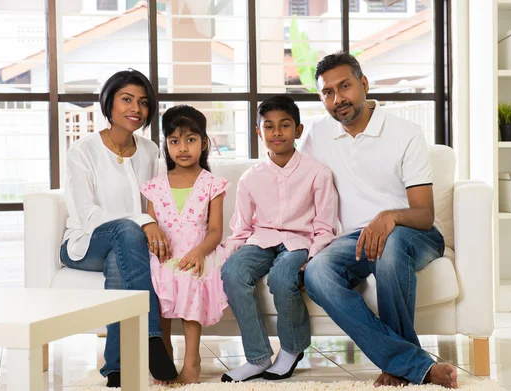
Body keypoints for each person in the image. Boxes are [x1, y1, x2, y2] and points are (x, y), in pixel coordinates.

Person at [299, 52, 458, 389]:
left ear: (364, 84)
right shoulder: (318, 135)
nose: (338, 98)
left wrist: (390, 216)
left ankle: (401, 366)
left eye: (345, 86)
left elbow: (424, 213)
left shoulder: (405, 133)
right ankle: (409, 364)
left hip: (414, 232)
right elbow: (299, 189)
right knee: (317, 272)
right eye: (328, 92)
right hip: (353, 238)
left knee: (389, 245)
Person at [59, 69, 178, 387]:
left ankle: (115, 368)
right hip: (84, 244)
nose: (136, 109)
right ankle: (153, 339)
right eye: (127, 99)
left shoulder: (151, 151)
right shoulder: (82, 150)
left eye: (143, 102)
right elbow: (87, 214)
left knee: (119, 260)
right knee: (127, 231)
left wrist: (154, 224)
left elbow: (158, 201)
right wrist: (144, 222)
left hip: (129, 249)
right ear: (108, 102)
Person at [220, 95, 338, 382]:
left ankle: (291, 349)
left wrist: (313, 257)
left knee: (283, 277)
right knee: (233, 272)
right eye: (269, 127)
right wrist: (226, 255)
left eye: (284, 125)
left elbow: (324, 227)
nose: (276, 133)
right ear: (259, 132)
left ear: (298, 130)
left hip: (300, 242)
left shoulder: (318, 174)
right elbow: (242, 229)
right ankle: (258, 357)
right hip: (261, 240)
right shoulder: (251, 177)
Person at [140, 105, 231, 384]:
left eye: (190, 140)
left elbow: (216, 230)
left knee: (191, 275)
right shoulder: (155, 186)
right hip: (165, 252)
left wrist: (199, 251)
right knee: (159, 278)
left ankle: (192, 360)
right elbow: (152, 228)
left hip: (199, 249)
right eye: (174, 141)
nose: (182, 148)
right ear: (165, 145)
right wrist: (157, 247)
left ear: (204, 143)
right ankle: (164, 352)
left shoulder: (213, 184)